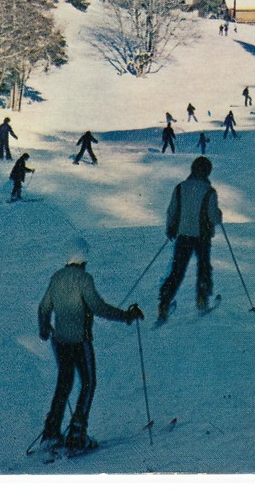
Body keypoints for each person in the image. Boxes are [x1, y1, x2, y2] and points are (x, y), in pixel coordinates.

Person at [38, 237, 144, 450]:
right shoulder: (84, 279)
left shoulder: (56, 278)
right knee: (88, 383)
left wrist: (44, 327)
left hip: (60, 342)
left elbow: (43, 307)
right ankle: (77, 431)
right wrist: (126, 316)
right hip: (80, 341)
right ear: (83, 257)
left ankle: (51, 430)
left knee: (64, 383)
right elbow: (98, 307)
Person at [157, 156, 223, 320]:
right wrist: (219, 215)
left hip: (183, 235)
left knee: (177, 270)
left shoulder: (180, 188)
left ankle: (164, 302)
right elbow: (214, 217)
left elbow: (171, 211)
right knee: (204, 267)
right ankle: (202, 299)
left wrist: (170, 228)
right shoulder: (209, 191)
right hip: (202, 237)